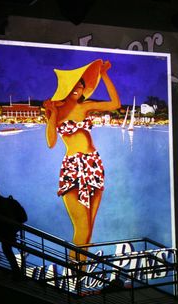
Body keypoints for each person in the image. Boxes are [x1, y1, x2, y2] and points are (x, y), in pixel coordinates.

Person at [43, 59, 121, 260]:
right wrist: (52, 114)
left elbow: (115, 104)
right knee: (82, 229)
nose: (79, 88)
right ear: (66, 88)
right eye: (75, 85)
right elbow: (51, 142)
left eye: (81, 85)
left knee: (88, 231)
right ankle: (75, 275)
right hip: (73, 167)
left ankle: (80, 274)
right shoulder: (54, 109)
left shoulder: (85, 106)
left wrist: (104, 75)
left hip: (93, 164)